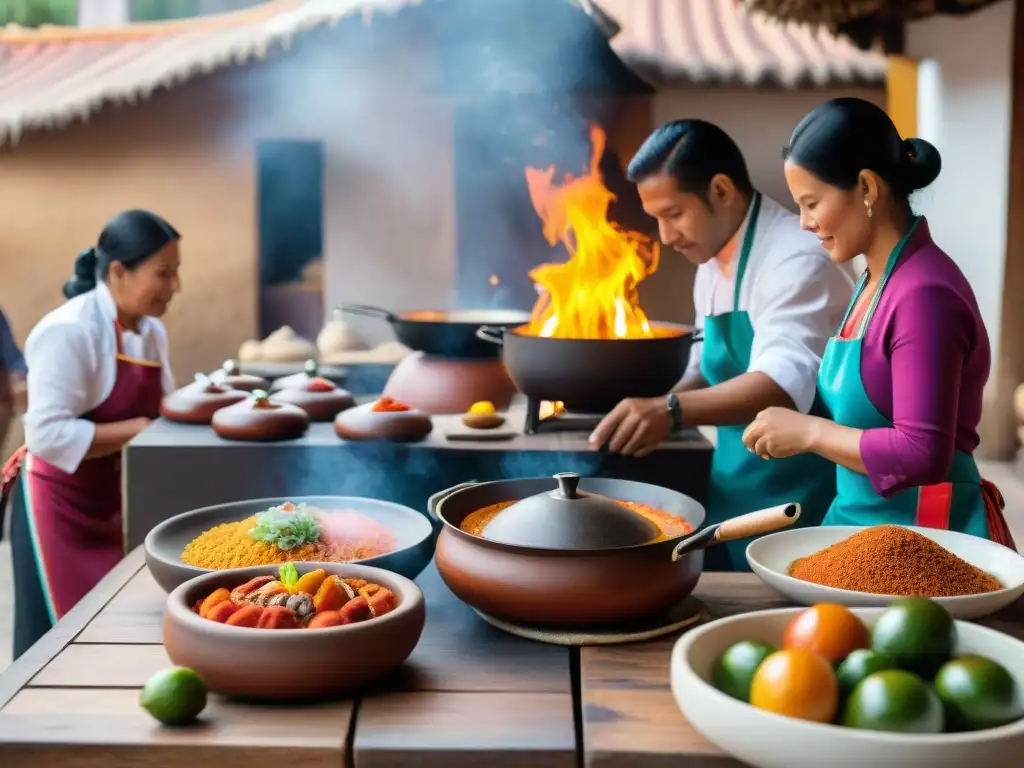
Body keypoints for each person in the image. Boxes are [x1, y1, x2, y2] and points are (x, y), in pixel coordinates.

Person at [741, 97, 1014, 547]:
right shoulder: (876, 278)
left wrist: (810, 432)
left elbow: (922, 452)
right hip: (863, 523)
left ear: (866, 188)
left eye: (812, 203)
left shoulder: (924, 295)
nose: (805, 223)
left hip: (923, 536)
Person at [589, 119, 855, 571]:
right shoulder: (711, 264)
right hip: (733, 492)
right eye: (657, 219)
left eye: (673, 214)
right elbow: (700, 369)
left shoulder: (796, 256)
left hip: (800, 502)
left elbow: (779, 386)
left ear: (720, 190)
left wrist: (669, 410)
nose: (666, 236)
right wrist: (642, 405)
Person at [0, 210, 181, 659]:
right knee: (55, 644)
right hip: (57, 504)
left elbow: (168, 404)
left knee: (112, 630)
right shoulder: (69, 330)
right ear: (118, 271)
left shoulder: (151, 330)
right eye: (164, 273)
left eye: (176, 272)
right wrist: (139, 429)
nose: (175, 286)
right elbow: (45, 434)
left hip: (109, 500)